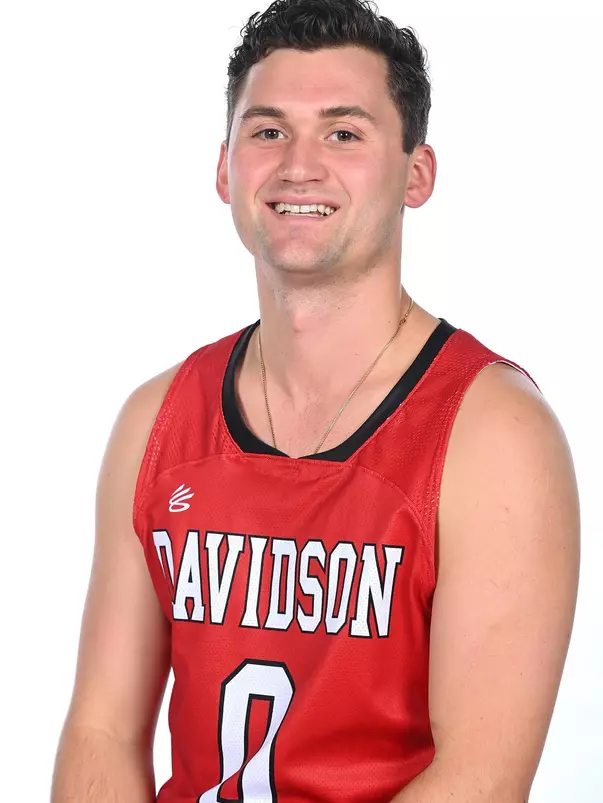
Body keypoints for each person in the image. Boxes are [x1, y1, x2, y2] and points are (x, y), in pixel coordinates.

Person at [51, 1, 580, 801]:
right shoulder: (155, 422)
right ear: (225, 168)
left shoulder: (493, 433)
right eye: (267, 131)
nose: (298, 164)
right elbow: (102, 731)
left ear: (417, 172)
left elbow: (478, 778)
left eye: (344, 132)